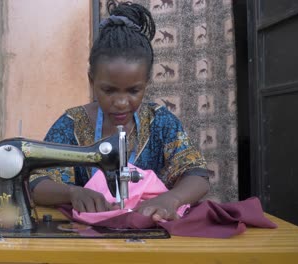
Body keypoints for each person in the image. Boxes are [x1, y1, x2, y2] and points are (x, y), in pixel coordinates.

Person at [30, 0, 210, 222]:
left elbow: (197, 174)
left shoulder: (161, 122)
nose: (122, 102)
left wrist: (171, 199)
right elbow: (36, 182)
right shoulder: (71, 124)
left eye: (134, 90)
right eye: (109, 90)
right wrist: (72, 192)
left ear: (146, 82)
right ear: (92, 80)